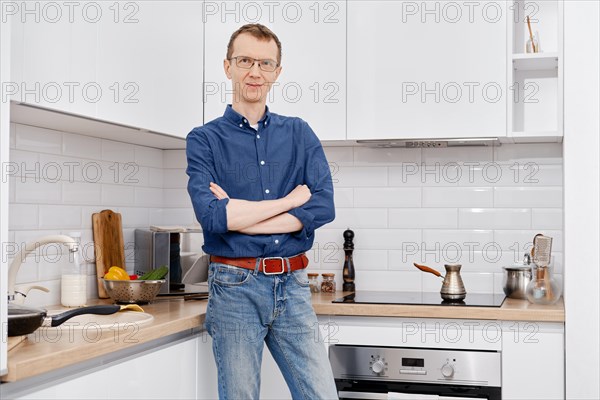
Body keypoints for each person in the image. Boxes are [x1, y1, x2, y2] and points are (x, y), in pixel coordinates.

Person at [186, 23, 338, 399]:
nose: (255, 72)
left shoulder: (299, 133)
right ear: (227, 67)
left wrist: (241, 216)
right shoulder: (203, 140)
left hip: (293, 286)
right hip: (234, 288)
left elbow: (324, 204)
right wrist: (288, 202)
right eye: (245, 60)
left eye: (265, 63)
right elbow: (213, 217)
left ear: (277, 73)